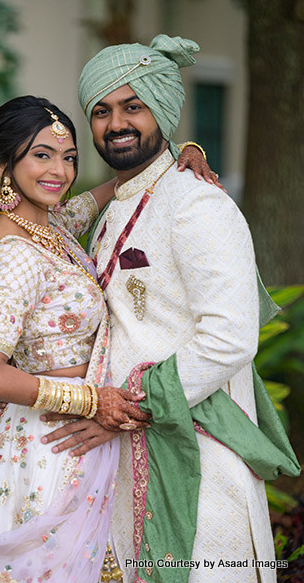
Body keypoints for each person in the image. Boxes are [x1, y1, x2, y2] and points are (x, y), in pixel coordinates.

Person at [39, 35, 300, 583]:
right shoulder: (119, 205)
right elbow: (39, 231)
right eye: (102, 112)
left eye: (133, 106)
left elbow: (230, 337)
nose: (117, 124)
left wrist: (127, 404)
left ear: (160, 108)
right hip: (122, 452)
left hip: (198, 460)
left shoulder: (198, 203)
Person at [0, 95, 217, 583]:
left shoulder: (51, 226)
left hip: (73, 438)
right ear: (3, 164)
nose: (59, 171)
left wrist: (181, 153)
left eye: (69, 157)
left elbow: (118, 186)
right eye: (42, 155)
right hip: (48, 448)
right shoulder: (17, 255)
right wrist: (89, 399)